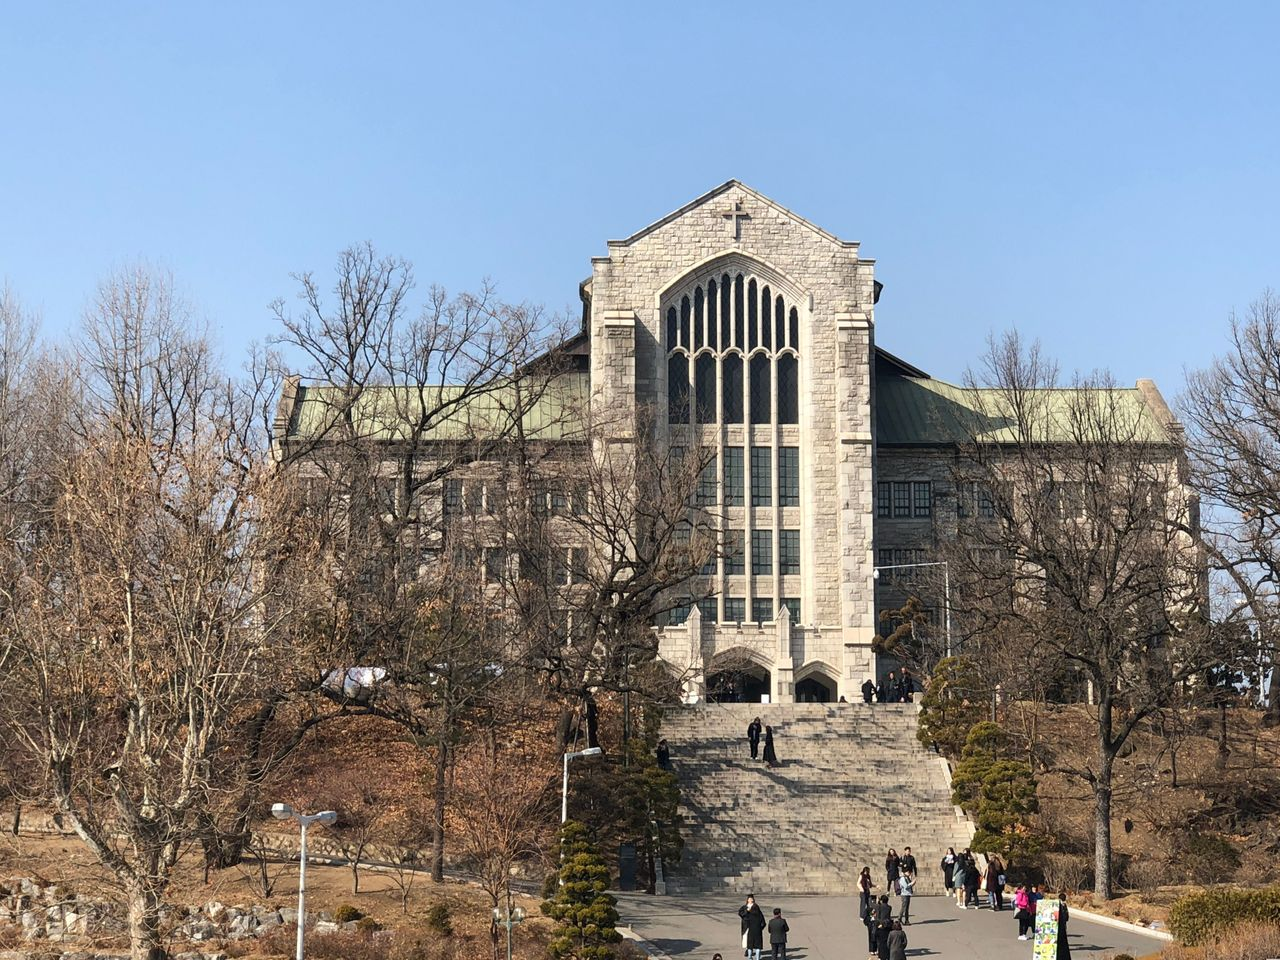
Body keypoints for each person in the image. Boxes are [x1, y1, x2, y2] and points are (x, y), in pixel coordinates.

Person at [739, 894, 767, 960]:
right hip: (746, 925)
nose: (750, 900)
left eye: (751, 899)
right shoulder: (744, 907)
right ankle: (748, 951)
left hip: (754, 927)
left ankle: (751, 954)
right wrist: (746, 911)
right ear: (747, 900)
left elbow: (762, 919)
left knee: (752, 941)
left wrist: (760, 928)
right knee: (746, 939)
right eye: (749, 899)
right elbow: (741, 914)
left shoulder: (756, 907)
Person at [873, 894, 894, 960]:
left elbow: (877, 915)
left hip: (880, 924)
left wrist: (877, 901)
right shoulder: (889, 907)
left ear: (881, 900)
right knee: (886, 940)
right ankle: (887, 953)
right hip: (887, 924)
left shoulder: (879, 906)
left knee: (879, 941)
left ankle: (880, 954)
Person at [1056, 893, 1071, 960]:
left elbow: (1066, 915)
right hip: (1061, 923)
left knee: (1062, 935)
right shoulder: (1060, 905)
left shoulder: (1063, 905)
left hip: (1062, 923)